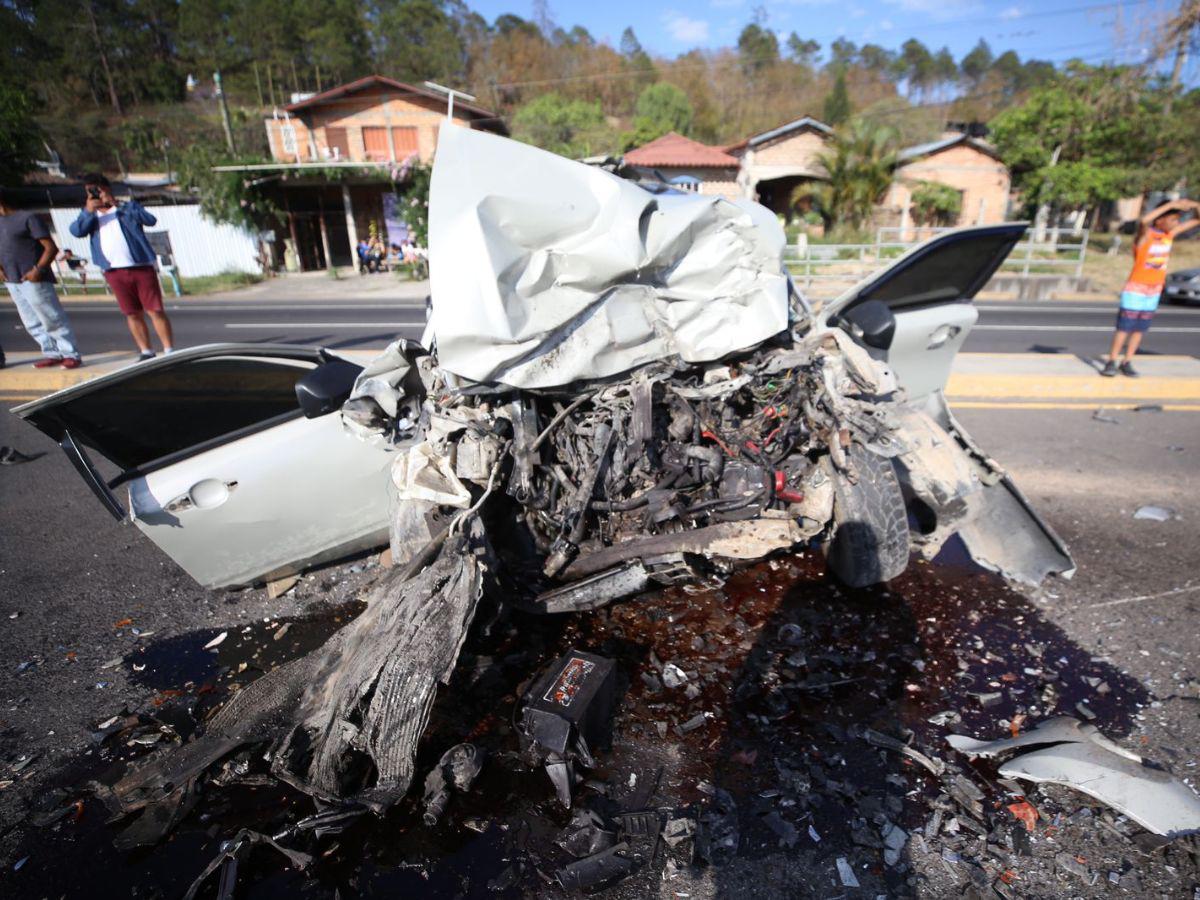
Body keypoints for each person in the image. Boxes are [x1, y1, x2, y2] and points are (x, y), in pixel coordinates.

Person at [70, 173, 174, 360]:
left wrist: (118, 204)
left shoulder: (126, 207)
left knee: (155, 310)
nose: (95, 194)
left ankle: (169, 350)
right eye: (89, 192)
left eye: (97, 190)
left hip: (140, 266)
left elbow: (149, 220)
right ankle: (146, 351)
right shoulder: (90, 215)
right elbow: (77, 231)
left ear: (107, 188)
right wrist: (88, 210)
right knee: (132, 313)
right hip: (113, 270)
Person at [1101, 198, 1200, 377]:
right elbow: (1144, 221)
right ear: (1160, 220)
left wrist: (1194, 205)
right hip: (1136, 288)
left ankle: (1127, 361)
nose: (1176, 223)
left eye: (1177, 220)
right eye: (1173, 219)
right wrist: (1170, 205)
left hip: (1153, 290)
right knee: (1124, 328)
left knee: (1140, 328)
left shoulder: (1168, 236)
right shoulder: (1146, 236)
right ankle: (1111, 361)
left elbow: (1197, 220)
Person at [0, 188, 83, 368]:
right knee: (30, 320)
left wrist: (38, 269)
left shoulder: (27, 218)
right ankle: (52, 352)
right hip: (12, 279)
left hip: (33, 278)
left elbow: (50, 247)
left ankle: (70, 354)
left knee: (51, 316)